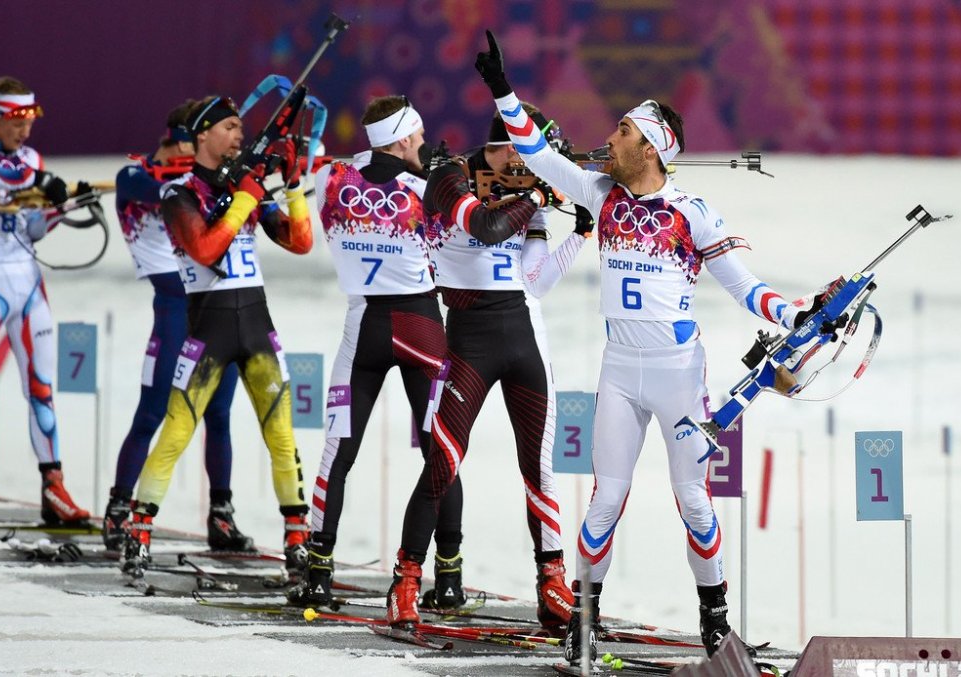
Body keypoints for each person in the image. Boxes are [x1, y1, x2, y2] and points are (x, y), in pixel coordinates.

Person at [473, 31, 812, 662]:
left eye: (627, 130)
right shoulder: (600, 196)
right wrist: (503, 90)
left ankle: (715, 624)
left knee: (693, 500)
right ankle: (583, 622)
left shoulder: (692, 211)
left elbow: (745, 288)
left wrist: (796, 313)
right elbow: (540, 157)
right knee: (606, 496)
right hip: (619, 371)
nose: (614, 135)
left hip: (679, 373)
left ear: (652, 148)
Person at [385, 99, 593, 632]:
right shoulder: (447, 176)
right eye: (525, 154)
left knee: (541, 470)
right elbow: (486, 228)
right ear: (502, 147)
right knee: (442, 464)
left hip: (520, 337)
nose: (531, 166)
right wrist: (537, 194)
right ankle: (406, 581)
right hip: (469, 344)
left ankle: (551, 586)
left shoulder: (522, 189)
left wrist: (574, 230)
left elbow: (536, 279)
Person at [121, 95, 313, 578]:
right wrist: (247, 196)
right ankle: (137, 532)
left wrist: (290, 187)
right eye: (229, 127)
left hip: (257, 325)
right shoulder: (179, 194)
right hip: (207, 329)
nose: (238, 135)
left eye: (240, 128)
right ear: (202, 135)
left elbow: (301, 242)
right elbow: (204, 248)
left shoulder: (243, 187)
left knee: (282, 436)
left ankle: (298, 540)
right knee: (177, 432)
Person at [287, 96, 466, 607]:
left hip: (362, 325)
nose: (425, 143)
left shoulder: (332, 177)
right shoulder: (428, 188)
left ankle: (317, 575)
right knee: (441, 452)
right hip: (420, 327)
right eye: (421, 135)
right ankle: (448, 578)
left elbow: (316, 162)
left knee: (336, 454)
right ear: (406, 137)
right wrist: (451, 174)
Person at [103, 102, 247, 554]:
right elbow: (152, 188)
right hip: (171, 313)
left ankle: (221, 516)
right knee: (151, 414)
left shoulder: (202, 186)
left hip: (212, 313)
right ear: (185, 140)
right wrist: (202, 177)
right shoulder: (135, 177)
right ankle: (118, 512)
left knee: (219, 416)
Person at [0, 76, 90, 524]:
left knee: (42, 389)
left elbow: (31, 229)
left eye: (29, 120)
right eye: (16, 121)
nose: (24, 130)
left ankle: (53, 488)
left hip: (27, 282)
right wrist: (38, 180)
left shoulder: (30, 160)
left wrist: (59, 205)